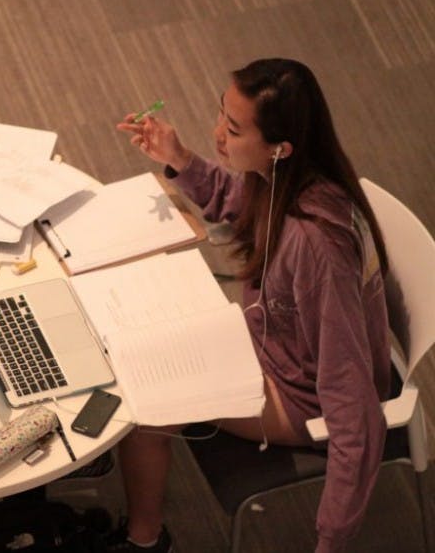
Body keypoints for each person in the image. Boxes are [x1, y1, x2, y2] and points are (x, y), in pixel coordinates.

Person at [111, 58, 390, 553]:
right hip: (270, 343)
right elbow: (235, 202)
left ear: (280, 147)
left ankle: (145, 541)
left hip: (300, 395)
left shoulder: (317, 249)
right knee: (136, 339)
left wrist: (331, 541)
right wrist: (179, 157)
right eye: (222, 114)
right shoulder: (282, 176)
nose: (219, 134)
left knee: (148, 406)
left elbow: (354, 408)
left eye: (234, 129)